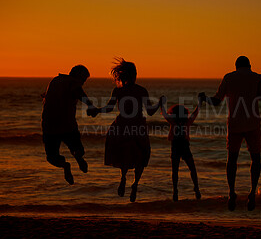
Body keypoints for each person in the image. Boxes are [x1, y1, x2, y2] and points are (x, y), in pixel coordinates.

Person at [201, 56, 261, 211]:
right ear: (250, 65)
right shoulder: (258, 78)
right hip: (253, 124)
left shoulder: (229, 77)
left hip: (234, 125)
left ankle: (232, 192)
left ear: (236, 66)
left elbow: (217, 101)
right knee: (256, 159)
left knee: (232, 159)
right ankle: (252, 192)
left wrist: (204, 98)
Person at [89, 58, 161, 202]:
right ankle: (135, 184)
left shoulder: (118, 91)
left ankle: (123, 178)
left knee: (124, 154)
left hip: (121, 124)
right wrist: (160, 102)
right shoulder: (141, 90)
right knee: (142, 155)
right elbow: (151, 111)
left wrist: (97, 111)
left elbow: (109, 108)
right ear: (134, 75)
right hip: (138, 125)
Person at [42, 65, 95, 185]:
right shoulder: (73, 82)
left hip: (49, 125)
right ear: (79, 76)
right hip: (67, 125)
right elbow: (78, 92)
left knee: (51, 157)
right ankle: (78, 156)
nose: (83, 83)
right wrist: (90, 106)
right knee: (77, 148)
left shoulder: (55, 80)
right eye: (84, 80)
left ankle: (65, 166)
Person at [159, 94, 202, 202]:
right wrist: (200, 103)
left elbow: (164, 113)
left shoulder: (173, 122)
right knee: (192, 168)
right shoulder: (187, 122)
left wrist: (162, 104)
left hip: (176, 145)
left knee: (175, 171)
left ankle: (175, 191)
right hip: (184, 146)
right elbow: (195, 113)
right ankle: (196, 187)